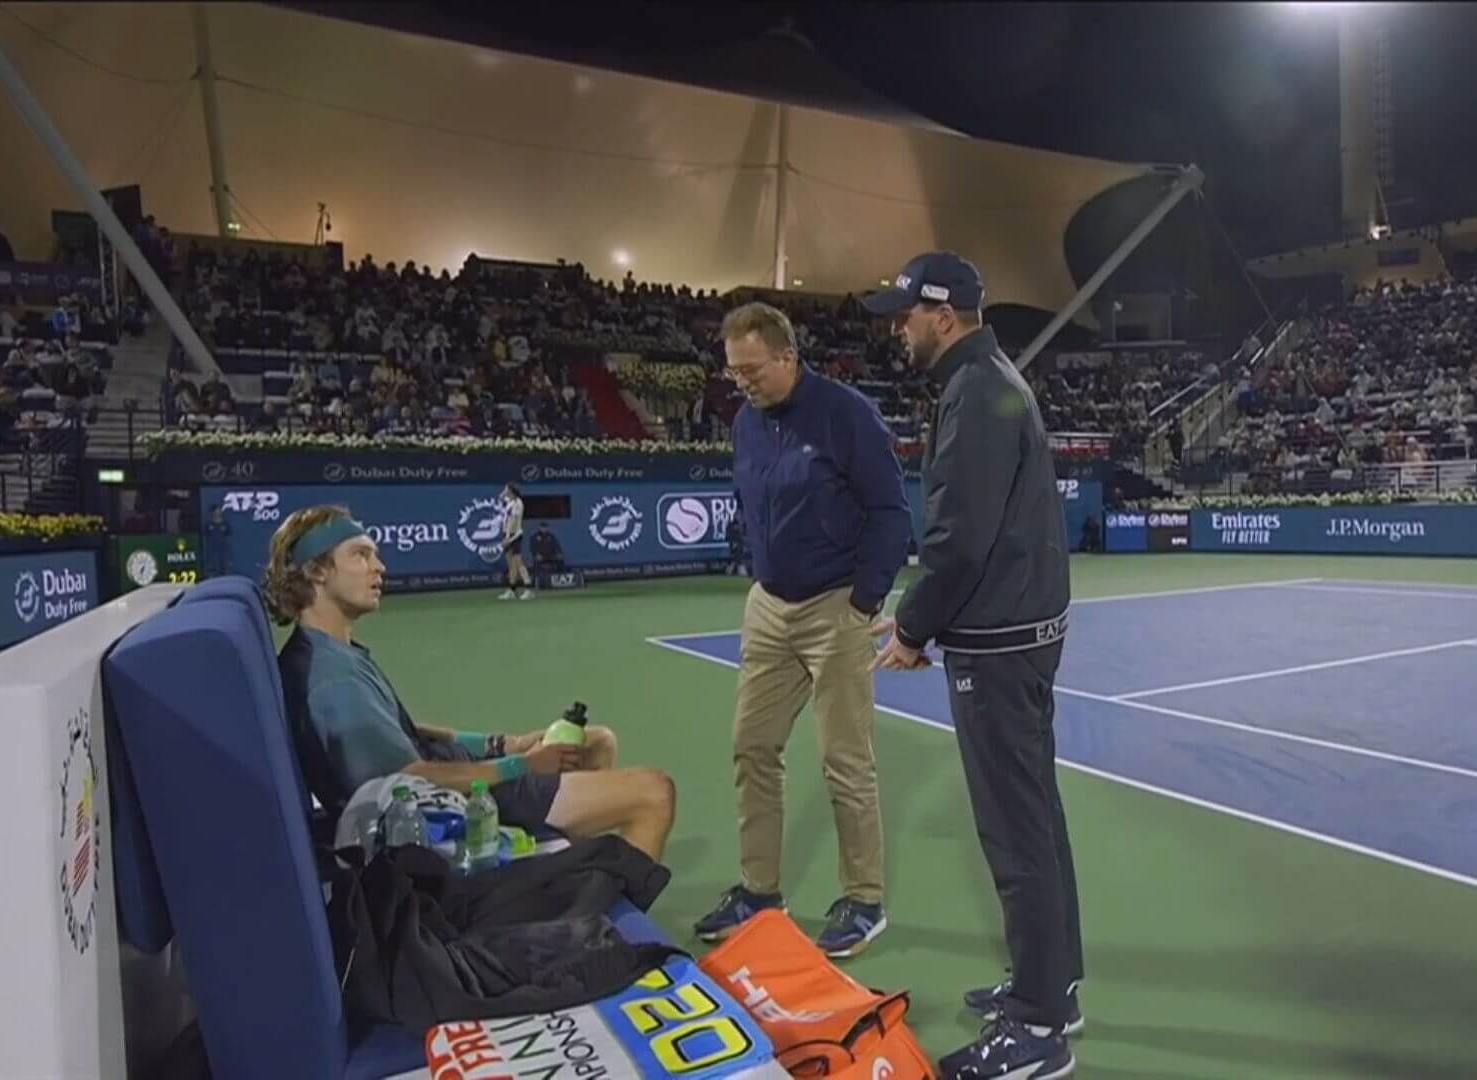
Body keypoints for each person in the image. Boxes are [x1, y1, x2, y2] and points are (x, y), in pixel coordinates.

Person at [865, 253, 1081, 1080]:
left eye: (905, 314)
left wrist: (913, 626)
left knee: (1016, 831)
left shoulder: (976, 392)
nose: (898, 328)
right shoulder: (990, 379)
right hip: (1018, 632)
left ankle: (1038, 1028)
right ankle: (1050, 986)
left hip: (999, 645)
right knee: (1036, 821)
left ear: (944, 314)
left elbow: (958, 539)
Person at [267, 504, 675, 859]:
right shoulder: (332, 679)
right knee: (653, 792)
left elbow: (404, 730)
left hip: (446, 781)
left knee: (597, 741)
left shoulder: (330, 652)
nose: (379, 567)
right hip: (453, 808)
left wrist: (505, 743)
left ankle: (569, 873)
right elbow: (410, 779)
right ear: (316, 571)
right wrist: (520, 764)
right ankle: (592, 908)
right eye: (361, 555)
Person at [692, 301, 911, 958]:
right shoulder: (746, 423)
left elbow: (890, 512)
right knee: (752, 746)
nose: (742, 384)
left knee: (845, 758)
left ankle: (864, 901)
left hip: (835, 606)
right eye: (734, 372)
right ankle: (759, 893)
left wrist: (864, 599)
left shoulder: (847, 416)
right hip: (768, 607)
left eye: (752, 370)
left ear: (787, 356)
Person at [498, 484, 532, 600]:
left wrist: (508, 538)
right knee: (511, 565)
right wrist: (503, 493)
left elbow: (513, 521)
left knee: (519, 563)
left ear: (511, 491)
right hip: (507, 535)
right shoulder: (510, 501)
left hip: (514, 535)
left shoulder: (518, 503)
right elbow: (500, 498)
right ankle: (512, 590)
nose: (504, 491)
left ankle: (528, 589)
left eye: (506, 489)